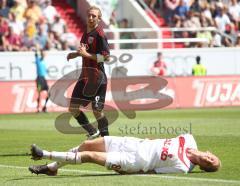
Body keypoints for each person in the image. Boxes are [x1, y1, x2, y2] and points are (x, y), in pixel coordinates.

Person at [28, 134, 221, 176]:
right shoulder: (189, 139)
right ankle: (52, 169)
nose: (208, 160)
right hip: (134, 143)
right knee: (87, 144)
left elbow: (153, 172)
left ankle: (44, 154)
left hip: (134, 161)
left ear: (203, 167)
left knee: (89, 155)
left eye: (209, 165)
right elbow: (163, 139)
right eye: (212, 158)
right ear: (209, 153)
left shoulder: (183, 168)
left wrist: (129, 170)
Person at [66, 6, 110, 139]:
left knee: (97, 111)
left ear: (99, 18)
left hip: (97, 79)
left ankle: (106, 139)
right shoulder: (85, 33)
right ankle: (92, 131)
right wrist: (75, 54)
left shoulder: (100, 34)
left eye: (94, 16)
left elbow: (106, 57)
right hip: (84, 77)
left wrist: (86, 54)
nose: (91, 18)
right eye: (89, 15)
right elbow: (84, 52)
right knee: (73, 108)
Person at [35, 48, 49, 112]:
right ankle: (38, 108)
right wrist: (37, 48)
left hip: (43, 78)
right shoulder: (38, 59)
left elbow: (45, 71)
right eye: (43, 53)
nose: (44, 54)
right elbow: (36, 54)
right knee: (39, 93)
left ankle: (44, 107)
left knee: (49, 93)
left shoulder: (43, 61)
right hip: (39, 78)